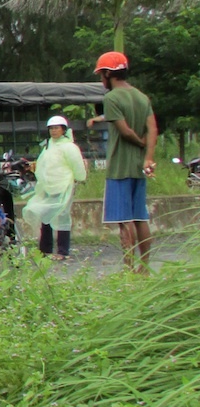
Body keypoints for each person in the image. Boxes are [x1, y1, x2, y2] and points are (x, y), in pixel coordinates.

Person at [87, 51, 158, 273]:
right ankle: (144, 267)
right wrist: (147, 155)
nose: (101, 80)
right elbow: (153, 128)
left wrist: (138, 142)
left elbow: (124, 131)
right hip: (139, 167)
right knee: (140, 217)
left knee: (124, 220)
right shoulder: (141, 96)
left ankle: (128, 268)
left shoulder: (111, 98)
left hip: (119, 168)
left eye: (101, 75)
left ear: (109, 74)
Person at [22, 116, 87, 261]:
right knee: (46, 216)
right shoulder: (48, 146)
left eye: (56, 128)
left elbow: (78, 167)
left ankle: (63, 251)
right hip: (48, 186)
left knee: (62, 216)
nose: (53, 131)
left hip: (63, 186)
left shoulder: (69, 147)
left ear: (63, 130)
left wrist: (79, 178)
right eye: (51, 128)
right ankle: (45, 250)